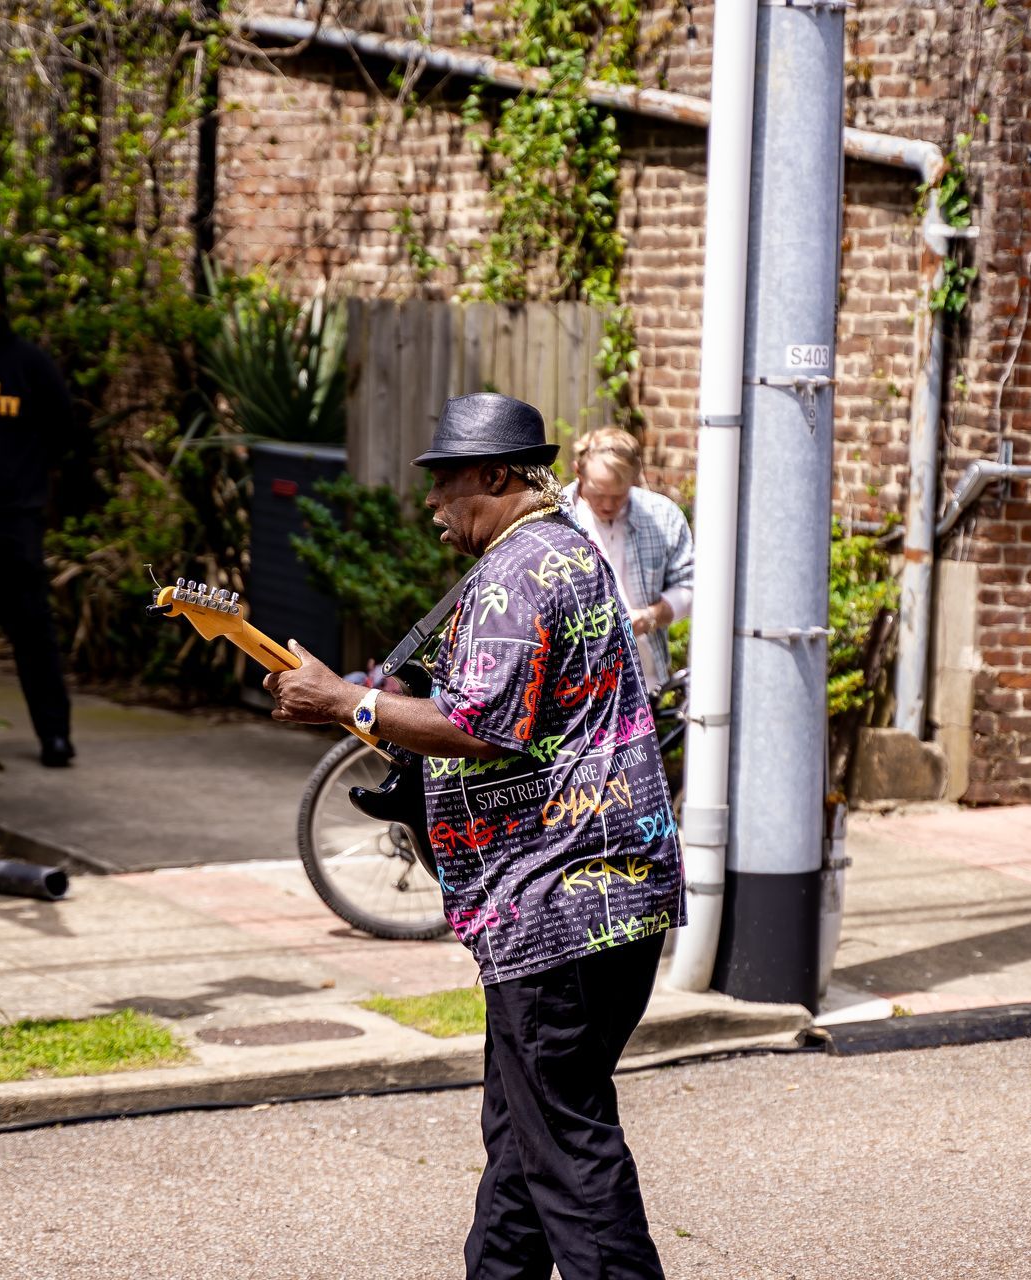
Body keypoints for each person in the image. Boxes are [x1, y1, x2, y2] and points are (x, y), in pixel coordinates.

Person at [264, 393, 684, 1279]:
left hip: (556, 908)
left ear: (497, 475)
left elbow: (480, 724)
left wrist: (344, 702)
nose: (432, 503)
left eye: (445, 482)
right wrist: (367, 701)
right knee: (524, 1143)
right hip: (606, 903)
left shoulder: (518, 572)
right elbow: (499, 710)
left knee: (566, 1153)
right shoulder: (561, 550)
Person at [0, 266, 77, 768]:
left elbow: (64, 431)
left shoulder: (28, 364)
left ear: (2, 307)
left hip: (13, 520)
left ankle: (55, 736)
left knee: (32, 630)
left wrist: (29, 482)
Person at [562, 427, 695, 694]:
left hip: (642, 681)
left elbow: (690, 587)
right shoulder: (555, 519)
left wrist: (648, 618)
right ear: (579, 472)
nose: (609, 505)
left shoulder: (663, 517)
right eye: (599, 493)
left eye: (619, 495)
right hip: (570, 684)